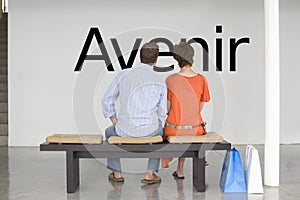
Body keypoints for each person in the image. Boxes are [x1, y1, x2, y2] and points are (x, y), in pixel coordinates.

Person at [102, 42, 167, 184]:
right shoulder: (159, 81)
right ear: (156, 60)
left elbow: (106, 99)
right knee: (161, 133)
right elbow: (163, 112)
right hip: (150, 131)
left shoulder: (124, 74)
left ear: (140, 57)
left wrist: (115, 122)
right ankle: (150, 174)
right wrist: (156, 123)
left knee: (109, 132)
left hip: (124, 130)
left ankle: (117, 173)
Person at [162, 41, 210, 179]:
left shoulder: (170, 80)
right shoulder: (201, 79)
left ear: (177, 59)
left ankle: (180, 170)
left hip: (174, 129)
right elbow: (200, 107)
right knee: (191, 128)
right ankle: (181, 169)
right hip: (195, 128)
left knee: (179, 130)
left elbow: (168, 108)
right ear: (192, 57)